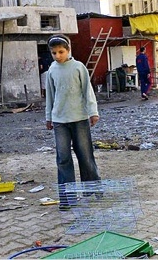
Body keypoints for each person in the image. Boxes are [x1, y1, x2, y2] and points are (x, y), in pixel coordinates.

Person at [44, 34, 101, 209]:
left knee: (85, 155)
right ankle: (67, 198)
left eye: (61, 52)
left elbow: (87, 91)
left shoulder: (79, 67)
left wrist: (93, 112)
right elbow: (50, 96)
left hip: (79, 118)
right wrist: (48, 117)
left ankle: (93, 190)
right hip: (60, 121)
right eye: (54, 53)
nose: (57, 56)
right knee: (63, 159)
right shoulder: (52, 70)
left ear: (68, 50)